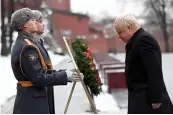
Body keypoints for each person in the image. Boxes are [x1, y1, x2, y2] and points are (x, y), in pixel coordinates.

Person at [11, 8, 82, 114]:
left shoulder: (28, 43)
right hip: (32, 104)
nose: (36, 22)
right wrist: (65, 76)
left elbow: (43, 71)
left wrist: (66, 74)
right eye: (32, 20)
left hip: (34, 100)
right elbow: (39, 78)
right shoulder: (27, 47)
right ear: (25, 24)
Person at [113, 14, 173, 114]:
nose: (119, 36)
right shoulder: (138, 40)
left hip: (147, 100)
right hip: (141, 97)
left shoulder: (143, 40)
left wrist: (156, 98)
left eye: (120, 32)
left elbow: (154, 70)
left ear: (129, 28)